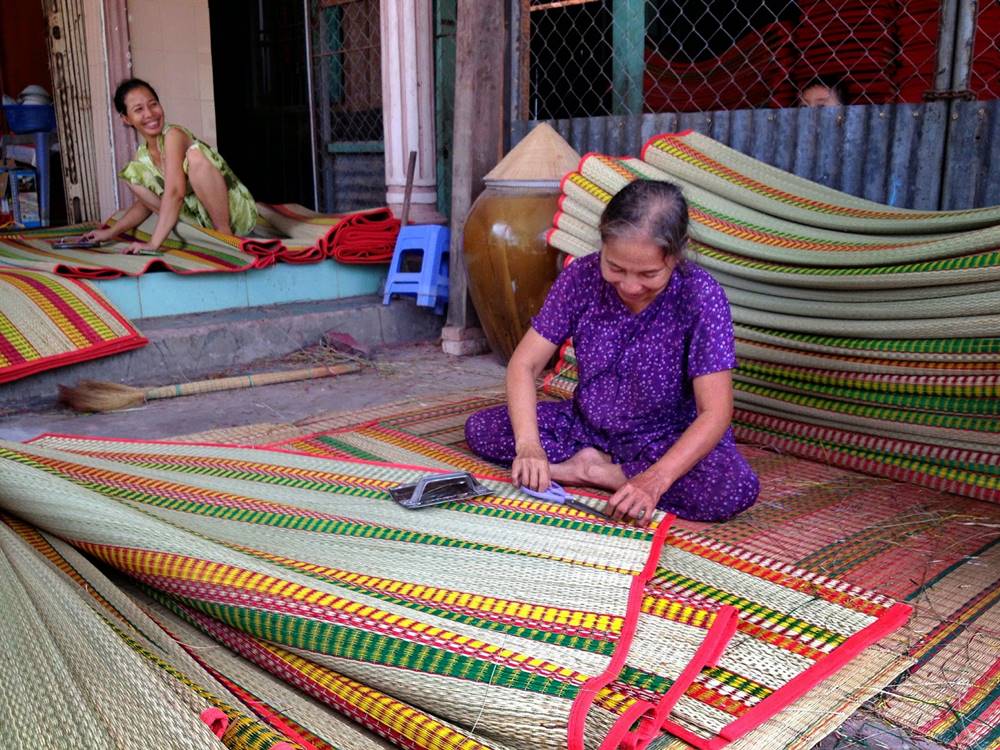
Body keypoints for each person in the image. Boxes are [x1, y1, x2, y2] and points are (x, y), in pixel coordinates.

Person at [464, 179, 759, 524]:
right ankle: (586, 466)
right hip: (587, 427)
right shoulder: (581, 278)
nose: (631, 286)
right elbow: (525, 365)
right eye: (615, 268)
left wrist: (655, 480)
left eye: (649, 273)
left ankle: (600, 474)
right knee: (485, 429)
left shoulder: (700, 295)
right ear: (602, 243)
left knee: (731, 486)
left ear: (677, 255)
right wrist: (529, 447)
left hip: (663, 439)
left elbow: (715, 413)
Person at [83, 78, 256, 254]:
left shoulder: (173, 135)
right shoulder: (142, 157)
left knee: (195, 158)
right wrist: (110, 233)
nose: (150, 114)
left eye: (153, 104)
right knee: (132, 177)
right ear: (126, 119)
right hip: (200, 221)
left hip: (233, 214)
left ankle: (224, 234)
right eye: (139, 109)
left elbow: (175, 192)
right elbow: (144, 204)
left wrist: (152, 244)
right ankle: (197, 236)